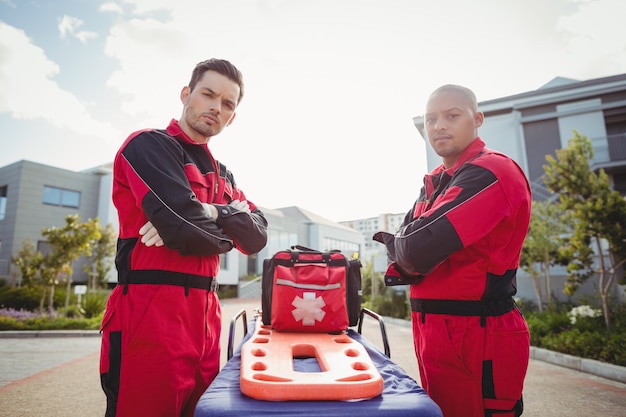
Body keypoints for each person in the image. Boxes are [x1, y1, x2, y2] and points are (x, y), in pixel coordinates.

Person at [99, 58, 268, 417]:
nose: (216, 107)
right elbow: (183, 228)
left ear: (232, 116)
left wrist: (208, 214)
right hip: (150, 311)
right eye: (208, 94)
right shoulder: (147, 146)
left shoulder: (225, 175)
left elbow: (256, 237)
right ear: (186, 93)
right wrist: (223, 223)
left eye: (227, 104)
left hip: (207, 316)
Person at [373, 84, 531, 417]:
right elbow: (403, 250)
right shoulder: (436, 180)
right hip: (435, 330)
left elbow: (413, 251)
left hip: (477, 333)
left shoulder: (491, 172)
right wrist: (404, 246)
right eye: (431, 119)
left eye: (451, 116)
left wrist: (405, 246)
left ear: (477, 119)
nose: (439, 126)